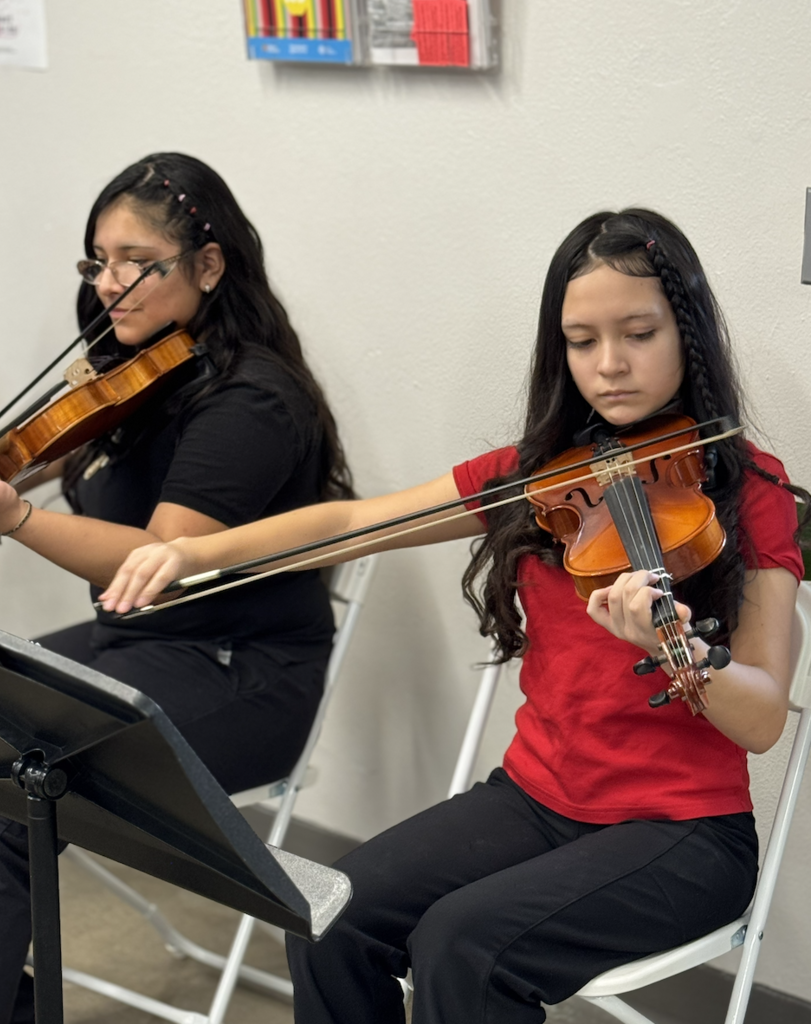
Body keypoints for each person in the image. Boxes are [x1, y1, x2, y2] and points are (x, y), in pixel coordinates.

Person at [99, 208, 807, 1024]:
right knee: (328, 912)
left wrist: (675, 644)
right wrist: (195, 555)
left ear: (684, 331)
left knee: (464, 946)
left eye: (638, 332)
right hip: (535, 799)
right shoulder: (539, 478)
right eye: (581, 341)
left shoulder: (749, 493)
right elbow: (351, 522)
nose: (609, 365)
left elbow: (757, 718)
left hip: (681, 834)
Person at [0, 152, 353, 1024]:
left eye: (134, 262)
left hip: (242, 672)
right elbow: (41, 459)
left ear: (209, 263)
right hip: (134, 648)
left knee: (9, 800)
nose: (111, 285)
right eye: (97, 261)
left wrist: (12, 518)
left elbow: (157, 566)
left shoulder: (252, 400)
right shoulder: (138, 371)